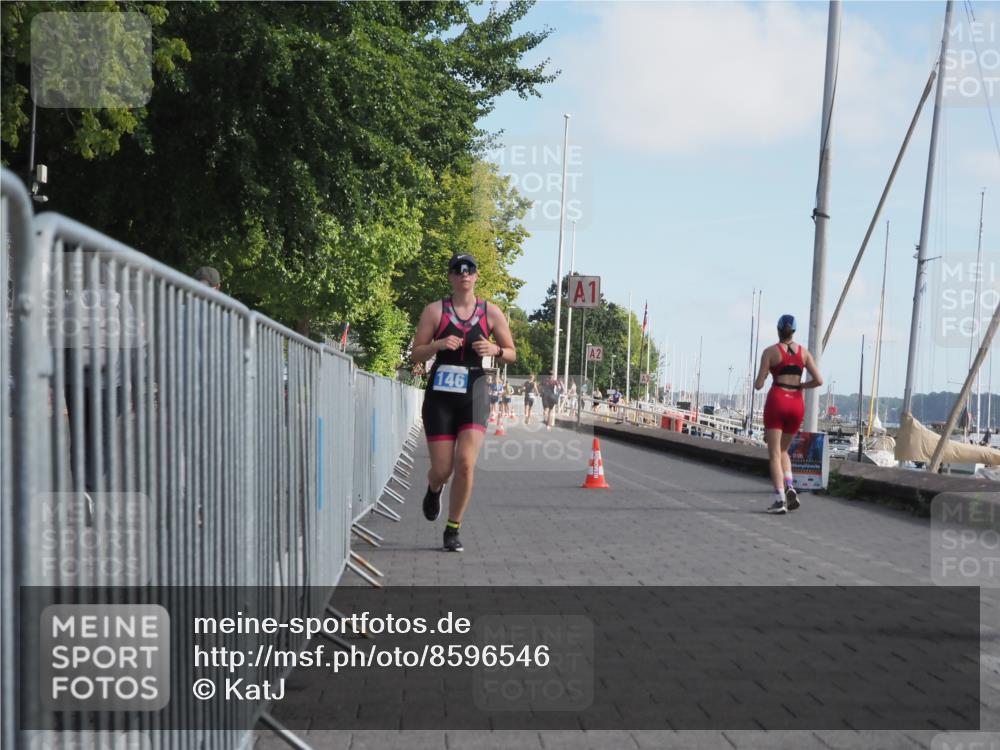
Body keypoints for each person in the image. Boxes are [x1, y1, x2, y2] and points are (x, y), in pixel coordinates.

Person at [410, 253, 516, 552]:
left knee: (466, 464)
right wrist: (437, 345)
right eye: (458, 270)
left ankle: (453, 529)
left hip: (474, 392)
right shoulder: (435, 311)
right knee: (442, 470)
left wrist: (495, 349)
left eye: (469, 270)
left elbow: (512, 352)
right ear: (450, 277)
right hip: (440, 397)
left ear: (476, 276)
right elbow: (416, 353)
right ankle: (434, 489)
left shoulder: (491, 312)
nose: (464, 274)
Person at [753, 314, 823, 514]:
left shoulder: (769, 352)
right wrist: (802, 385)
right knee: (784, 451)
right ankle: (790, 486)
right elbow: (819, 380)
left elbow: (758, 385)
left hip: (777, 400)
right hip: (796, 404)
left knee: (774, 453)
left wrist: (765, 375)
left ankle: (779, 499)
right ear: (793, 331)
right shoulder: (804, 353)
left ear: (778, 330)